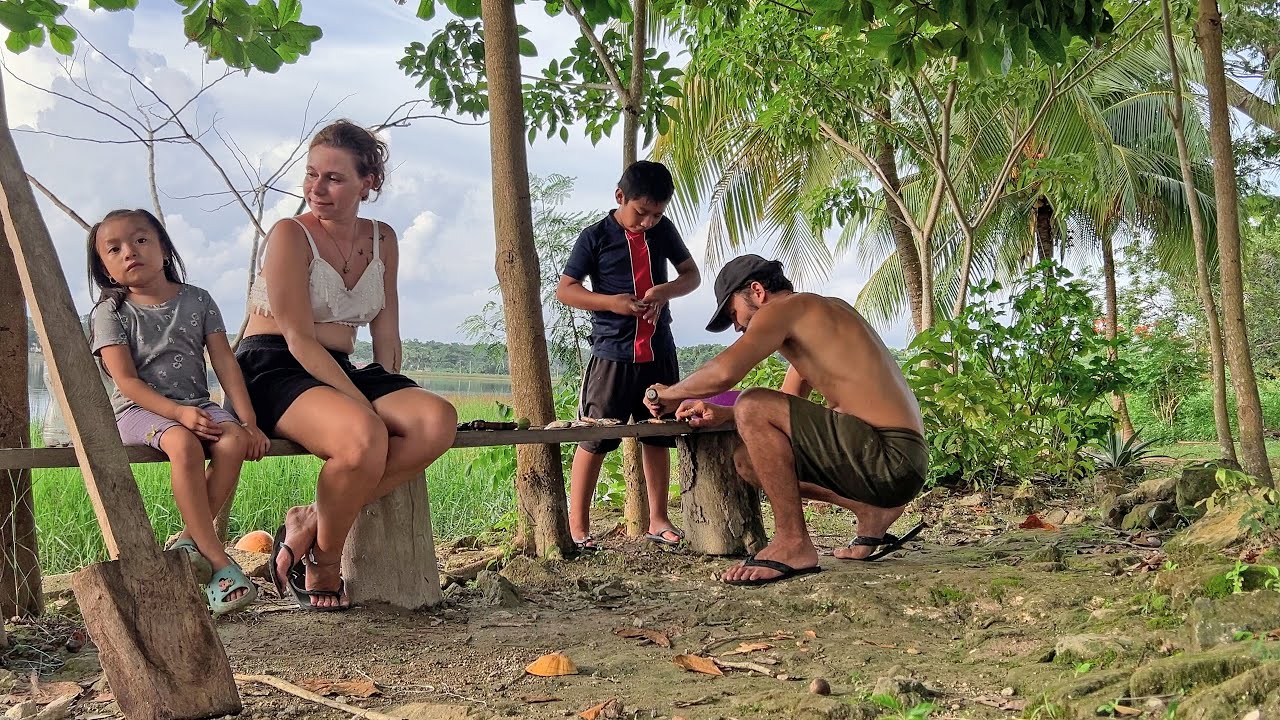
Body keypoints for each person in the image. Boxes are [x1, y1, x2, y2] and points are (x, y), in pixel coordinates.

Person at [236, 120, 457, 610]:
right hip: (274, 366)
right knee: (363, 437)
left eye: (333, 178)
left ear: (368, 181)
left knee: (436, 420)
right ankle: (325, 561)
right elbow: (297, 338)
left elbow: (386, 332)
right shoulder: (290, 234)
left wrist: (390, 388)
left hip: (336, 364)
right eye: (311, 175)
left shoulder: (383, 239)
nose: (317, 188)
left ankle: (311, 520)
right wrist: (364, 407)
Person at [644, 255, 928, 586]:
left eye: (733, 313)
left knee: (752, 400)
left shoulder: (787, 309)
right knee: (747, 461)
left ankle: (793, 543)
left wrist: (664, 394)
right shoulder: (817, 321)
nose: (737, 326)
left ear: (757, 291)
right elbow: (782, 414)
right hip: (895, 461)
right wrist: (722, 413)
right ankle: (870, 512)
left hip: (889, 452)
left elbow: (725, 374)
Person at [87, 208, 270, 615]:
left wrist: (248, 420)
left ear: (164, 249)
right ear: (106, 269)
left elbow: (225, 363)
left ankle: (189, 540)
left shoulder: (196, 300)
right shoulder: (110, 313)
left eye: (140, 240)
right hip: (137, 411)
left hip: (197, 405)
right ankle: (220, 561)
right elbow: (127, 382)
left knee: (234, 439)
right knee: (183, 444)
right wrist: (177, 414)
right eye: (113, 249)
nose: (129, 252)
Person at [555, 160, 701, 550]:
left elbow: (691, 276)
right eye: (641, 212)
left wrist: (662, 293)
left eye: (657, 214)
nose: (648, 222)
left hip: (658, 352)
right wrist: (611, 303)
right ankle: (577, 527)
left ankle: (658, 519)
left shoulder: (663, 231)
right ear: (620, 198)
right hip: (612, 353)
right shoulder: (595, 237)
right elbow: (566, 290)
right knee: (596, 436)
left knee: (658, 434)